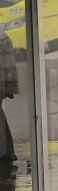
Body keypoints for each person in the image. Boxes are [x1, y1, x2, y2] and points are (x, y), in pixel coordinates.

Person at [0, 30, 18, 161]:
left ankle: (6, 152)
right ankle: (7, 151)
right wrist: (10, 86)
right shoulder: (3, 36)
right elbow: (9, 64)